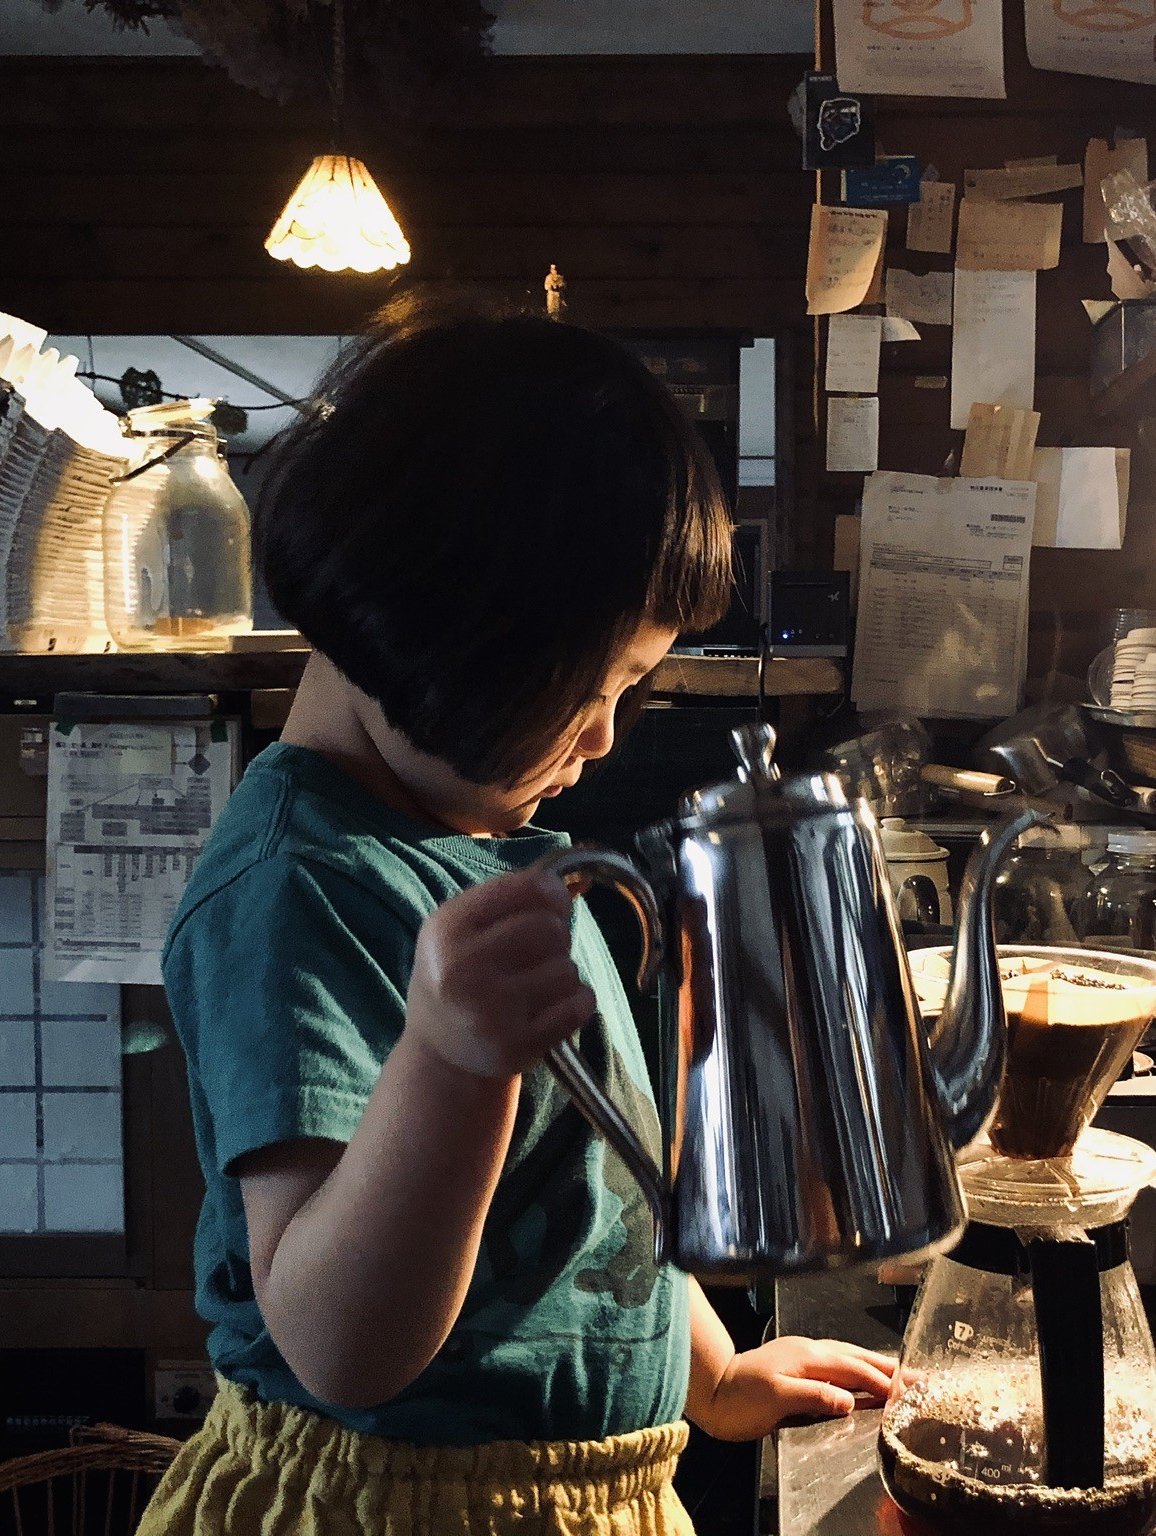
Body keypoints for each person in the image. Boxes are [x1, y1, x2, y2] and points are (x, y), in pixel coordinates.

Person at [140, 306, 893, 1536]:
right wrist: (447, 1065)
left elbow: (589, 1192)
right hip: (401, 1508)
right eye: (587, 691)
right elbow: (337, 1340)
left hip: (574, 1492)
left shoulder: (485, 848)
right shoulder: (298, 893)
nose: (603, 737)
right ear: (447, 643)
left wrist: (710, 1378)